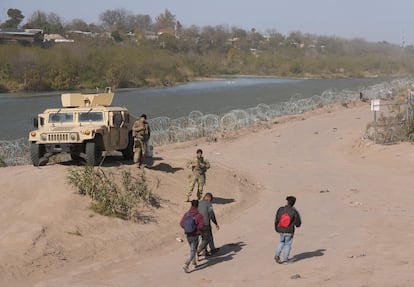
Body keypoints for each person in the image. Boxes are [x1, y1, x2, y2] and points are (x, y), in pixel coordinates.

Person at [274, 196, 302, 264]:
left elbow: (276, 219)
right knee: (287, 244)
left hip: (281, 229)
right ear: (294, 203)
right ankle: (286, 260)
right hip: (289, 231)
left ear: (287, 201)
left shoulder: (281, 209)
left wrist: (277, 228)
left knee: (281, 242)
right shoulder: (294, 211)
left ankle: (277, 255)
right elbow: (298, 223)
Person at [179, 200, 204, 273]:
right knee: (193, 251)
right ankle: (186, 264)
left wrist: (187, 228)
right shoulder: (199, 215)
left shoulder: (186, 214)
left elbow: (181, 223)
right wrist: (197, 230)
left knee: (192, 249)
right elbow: (201, 226)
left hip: (188, 235)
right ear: (197, 206)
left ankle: (194, 263)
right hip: (195, 235)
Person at [197, 193, 220, 257]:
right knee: (208, 237)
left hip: (198, 224)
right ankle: (201, 250)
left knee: (203, 237)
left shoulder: (198, 203)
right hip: (205, 224)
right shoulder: (208, 204)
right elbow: (211, 215)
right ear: (209, 198)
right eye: (211, 200)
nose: (211, 201)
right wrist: (216, 223)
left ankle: (206, 251)